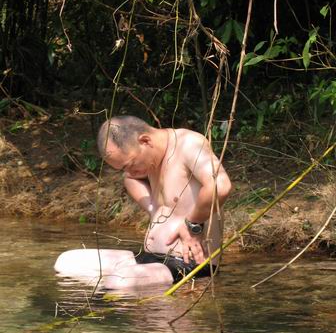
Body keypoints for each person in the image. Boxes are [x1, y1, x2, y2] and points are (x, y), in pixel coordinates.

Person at [54, 115, 232, 289]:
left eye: (130, 163)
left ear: (145, 141)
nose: (130, 171)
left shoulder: (188, 143)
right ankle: (106, 299)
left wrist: (193, 224)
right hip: (149, 258)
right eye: (123, 168)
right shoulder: (151, 161)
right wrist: (153, 208)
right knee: (67, 262)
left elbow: (220, 185)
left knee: (119, 281)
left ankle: (109, 298)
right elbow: (129, 178)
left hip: (188, 265)